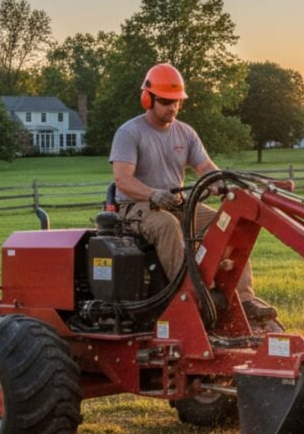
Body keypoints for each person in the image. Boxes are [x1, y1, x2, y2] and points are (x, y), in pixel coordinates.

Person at [109, 63, 278, 328]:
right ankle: (190, 296)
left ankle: (243, 297)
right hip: (136, 207)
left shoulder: (185, 133)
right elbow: (123, 180)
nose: (172, 108)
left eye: (177, 102)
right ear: (148, 98)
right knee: (168, 225)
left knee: (226, 225)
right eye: (165, 101)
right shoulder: (129, 133)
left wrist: (219, 184)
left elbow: (205, 167)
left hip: (176, 204)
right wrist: (153, 194)